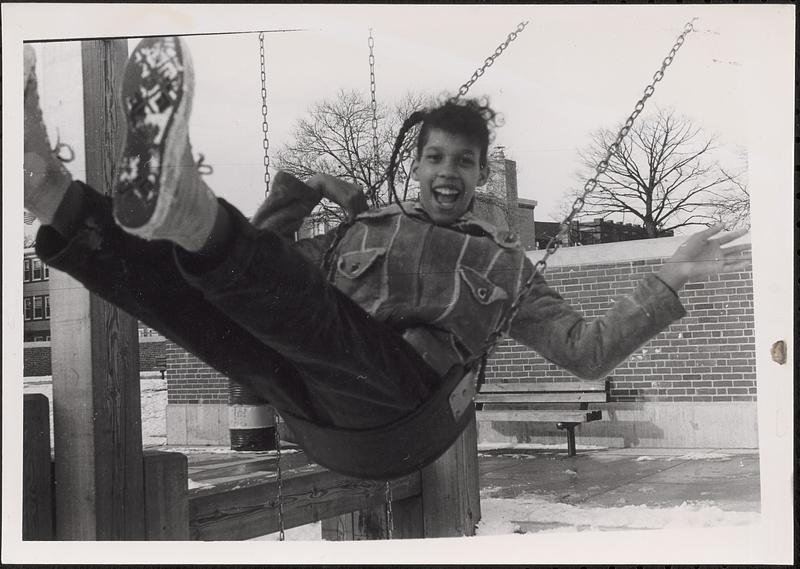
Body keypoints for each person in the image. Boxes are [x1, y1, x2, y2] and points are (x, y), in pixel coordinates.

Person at [23, 37, 750, 479]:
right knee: (201, 308)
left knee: (315, 320)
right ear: (417, 162)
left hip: (403, 409)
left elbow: (587, 350)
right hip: (311, 403)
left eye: (464, 162)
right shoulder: (364, 230)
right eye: (435, 156)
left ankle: (190, 212)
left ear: (480, 173)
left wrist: (667, 277)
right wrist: (301, 189)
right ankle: (54, 193)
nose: (447, 172)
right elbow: (268, 270)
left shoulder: (504, 266)